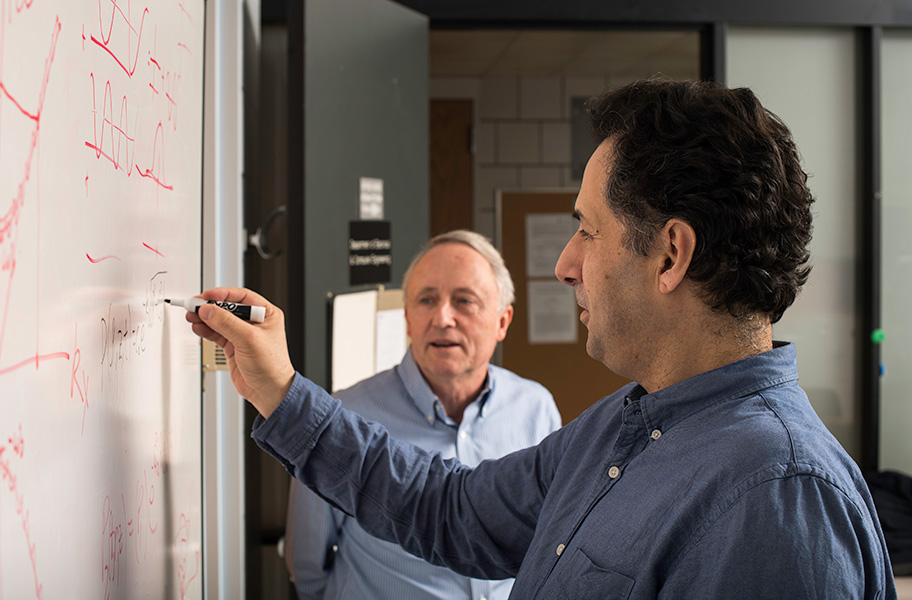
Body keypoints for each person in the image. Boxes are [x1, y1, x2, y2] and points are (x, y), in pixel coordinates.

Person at [187, 79, 897, 599]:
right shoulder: (621, 428)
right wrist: (280, 391)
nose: (564, 265)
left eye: (588, 231)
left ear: (671, 255)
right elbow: (447, 510)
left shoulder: (777, 500)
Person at [285, 230, 561, 600]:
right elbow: (308, 567)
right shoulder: (348, 415)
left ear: (502, 321)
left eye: (464, 301)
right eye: (427, 300)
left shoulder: (535, 408)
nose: (443, 318)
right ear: (408, 319)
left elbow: (548, 540)